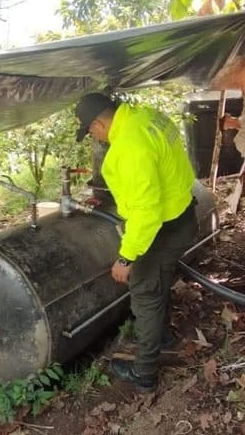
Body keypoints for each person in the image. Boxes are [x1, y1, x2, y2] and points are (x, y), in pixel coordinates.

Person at [73, 92, 198, 392]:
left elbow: (146, 211)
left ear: (98, 123)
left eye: (90, 130)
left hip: (162, 227)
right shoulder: (147, 116)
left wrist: (126, 257)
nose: (93, 136)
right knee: (159, 280)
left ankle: (144, 373)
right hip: (182, 212)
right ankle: (163, 337)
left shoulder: (127, 148)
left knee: (144, 292)